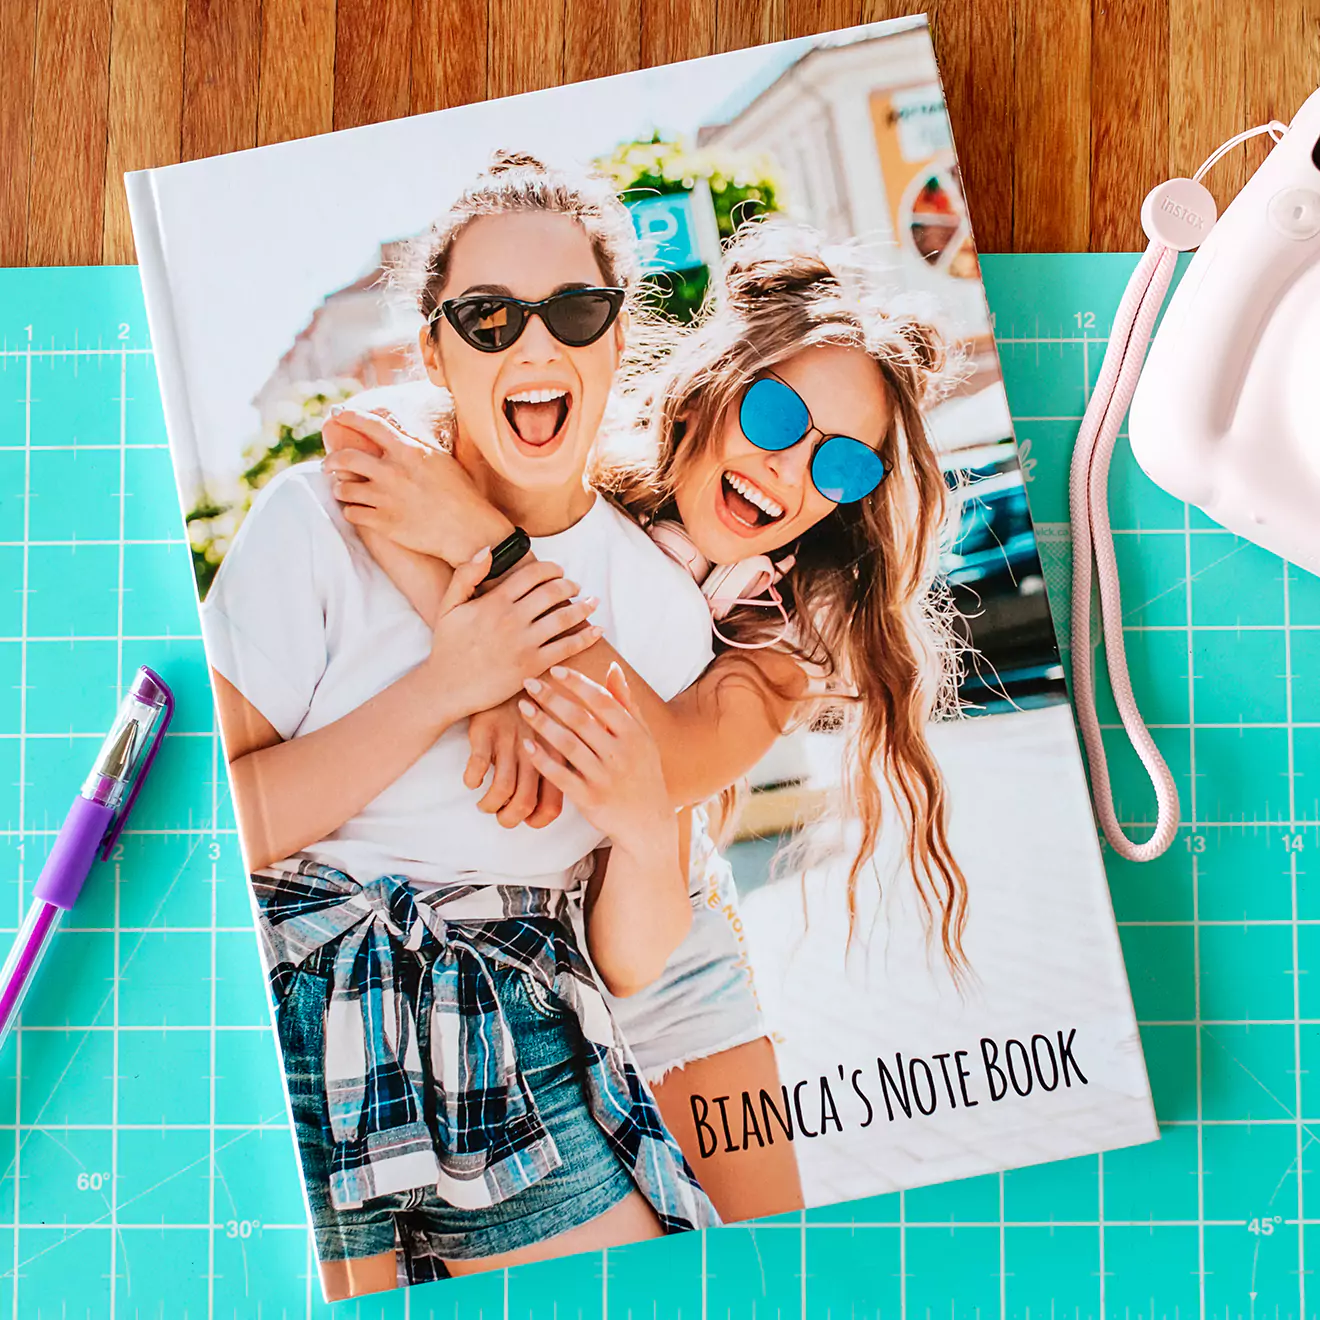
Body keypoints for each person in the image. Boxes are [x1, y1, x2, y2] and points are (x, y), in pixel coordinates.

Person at [323, 218, 969, 1223]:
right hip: (490, 971)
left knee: (762, 1263)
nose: (791, 469)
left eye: (842, 466)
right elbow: (371, 434)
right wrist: (493, 683)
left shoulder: (780, 647)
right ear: (715, 384)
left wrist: (480, 544)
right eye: (773, 413)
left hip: (673, 980)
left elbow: (659, 763)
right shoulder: (569, 485)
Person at [204, 151, 720, 1300]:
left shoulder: (664, 618)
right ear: (433, 350)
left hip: (517, 1024)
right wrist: (453, 681)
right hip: (290, 1013)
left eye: (573, 312)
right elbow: (212, 828)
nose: (533, 348)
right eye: (487, 318)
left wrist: (646, 836)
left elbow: (627, 964)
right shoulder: (326, 517)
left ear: (616, 340)